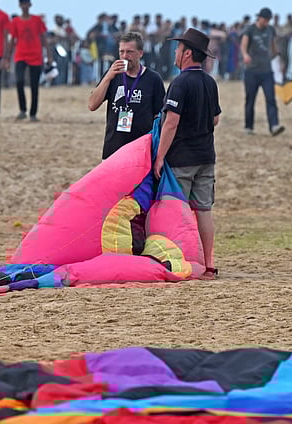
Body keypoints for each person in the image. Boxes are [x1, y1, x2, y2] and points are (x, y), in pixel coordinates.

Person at [152, 28, 221, 278]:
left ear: (188, 53)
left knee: (177, 211)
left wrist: (160, 156)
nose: (175, 52)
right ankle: (209, 264)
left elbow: (171, 122)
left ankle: (181, 262)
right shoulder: (210, 82)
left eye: (178, 49)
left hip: (182, 158)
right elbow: (215, 119)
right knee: (204, 210)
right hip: (206, 156)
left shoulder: (180, 83)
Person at [87, 31, 166, 159]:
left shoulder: (153, 79)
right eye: (121, 52)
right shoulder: (112, 75)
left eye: (130, 52)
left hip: (141, 150)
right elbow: (92, 105)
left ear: (140, 53)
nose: (125, 56)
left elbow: (160, 116)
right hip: (113, 148)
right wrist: (108, 77)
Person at [5, 0, 51, 122]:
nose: (24, 6)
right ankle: (22, 109)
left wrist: (49, 55)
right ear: (20, 5)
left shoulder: (37, 20)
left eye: (26, 3)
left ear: (30, 5)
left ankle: (33, 113)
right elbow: (12, 40)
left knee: (34, 85)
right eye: (22, 3)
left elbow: (44, 38)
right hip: (21, 55)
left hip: (35, 56)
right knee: (19, 81)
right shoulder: (15, 22)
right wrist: (7, 57)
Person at [241, 7, 285, 136]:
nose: (266, 22)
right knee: (250, 99)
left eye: (268, 20)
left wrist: (279, 59)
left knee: (271, 98)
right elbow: (244, 45)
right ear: (259, 18)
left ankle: (274, 125)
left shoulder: (270, 30)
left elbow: (273, 46)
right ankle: (249, 126)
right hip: (252, 71)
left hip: (267, 71)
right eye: (265, 19)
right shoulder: (250, 29)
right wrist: (245, 55)